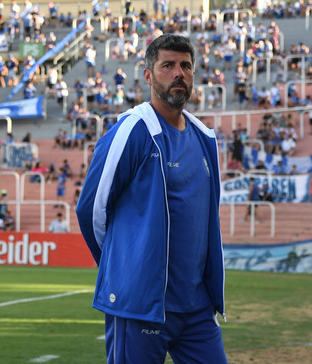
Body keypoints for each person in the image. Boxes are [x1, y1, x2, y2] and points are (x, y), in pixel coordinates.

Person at [76, 34, 227, 364]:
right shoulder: (133, 132)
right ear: (148, 75)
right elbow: (91, 210)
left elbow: (206, 217)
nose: (178, 73)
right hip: (142, 304)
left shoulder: (204, 139)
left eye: (186, 66)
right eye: (168, 65)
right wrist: (124, 266)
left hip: (196, 306)